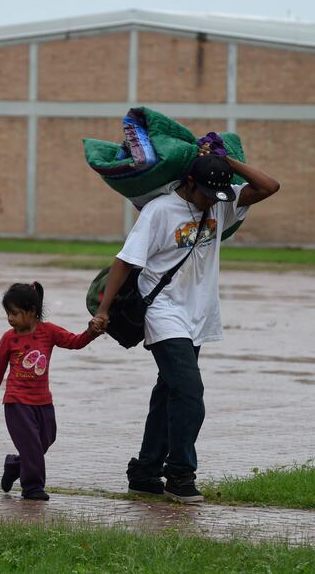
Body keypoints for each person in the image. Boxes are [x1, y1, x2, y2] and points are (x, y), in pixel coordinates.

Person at [92, 149, 279, 502]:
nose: (213, 201)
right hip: (162, 311)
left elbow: (270, 186)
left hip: (198, 313)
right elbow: (124, 261)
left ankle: (145, 472)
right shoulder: (159, 212)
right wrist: (103, 311)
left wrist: (227, 161)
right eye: (207, 193)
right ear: (190, 182)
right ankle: (180, 474)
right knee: (190, 392)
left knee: (169, 392)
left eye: (218, 195)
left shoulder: (220, 202)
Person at [0, 282, 104, 501]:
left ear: (31, 312)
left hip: (43, 401)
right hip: (16, 402)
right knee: (31, 446)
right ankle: (32, 488)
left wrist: (91, 333)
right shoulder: (9, 338)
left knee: (46, 439)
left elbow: (74, 342)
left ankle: (14, 466)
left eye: (15, 313)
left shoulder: (49, 331)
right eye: (8, 313)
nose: (10, 318)